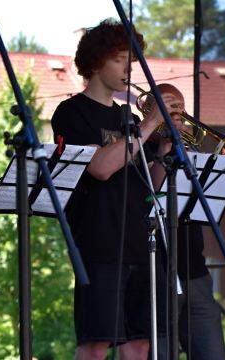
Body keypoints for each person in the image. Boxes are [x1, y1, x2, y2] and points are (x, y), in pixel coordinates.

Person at [50, 19, 183, 359]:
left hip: (142, 243)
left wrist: (166, 150)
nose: (129, 69)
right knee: (95, 345)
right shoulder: (71, 112)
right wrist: (151, 123)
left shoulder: (128, 117)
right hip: (99, 244)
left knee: (140, 344)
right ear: (96, 62)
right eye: (120, 59)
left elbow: (150, 185)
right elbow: (101, 168)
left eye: (131, 61)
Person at [145, 84, 225, 360]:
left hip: (195, 269)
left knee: (212, 352)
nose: (178, 114)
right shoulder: (140, 145)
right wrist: (165, 147)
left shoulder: (192, 148)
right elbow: (148, 193)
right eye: (171, 108)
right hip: (156, 272)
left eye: (180, 108)